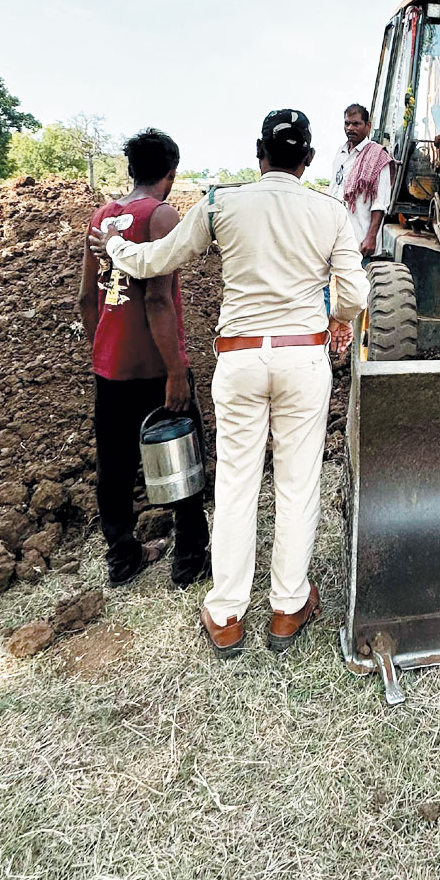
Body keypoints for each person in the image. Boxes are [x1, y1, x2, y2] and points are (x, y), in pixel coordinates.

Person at [89, 109, 368, 658]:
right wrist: (338, 318)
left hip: (238, 361)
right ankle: (288, 607)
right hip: (302, 360)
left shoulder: (221, 203)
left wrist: (115, 248)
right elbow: (355, 294)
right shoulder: (330, 211)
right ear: (308, 160)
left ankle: (226, 614)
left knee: (237, 484)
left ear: (258, 153)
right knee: (296, 484)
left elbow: (156, 260)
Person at [78, 128, 210, 588]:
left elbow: (84, 299)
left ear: (131, 170)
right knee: (183, 455)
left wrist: (106, 343)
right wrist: (176, 370)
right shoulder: (161, 216)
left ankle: (123, 557)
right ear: (170, 173)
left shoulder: (101, 217)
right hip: (155, 365)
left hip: (109, 365)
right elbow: (158, 300)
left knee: (113, 466)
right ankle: (189, 559)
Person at [329, 103, 392, 257]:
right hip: (337, 239)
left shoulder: (378, 156)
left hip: (361, 242)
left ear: (368, 126)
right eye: (347, 123)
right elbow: (334, 191)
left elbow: (380, 203)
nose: (350, 128)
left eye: (356, 124)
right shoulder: (341, 153)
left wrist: (370, 237)